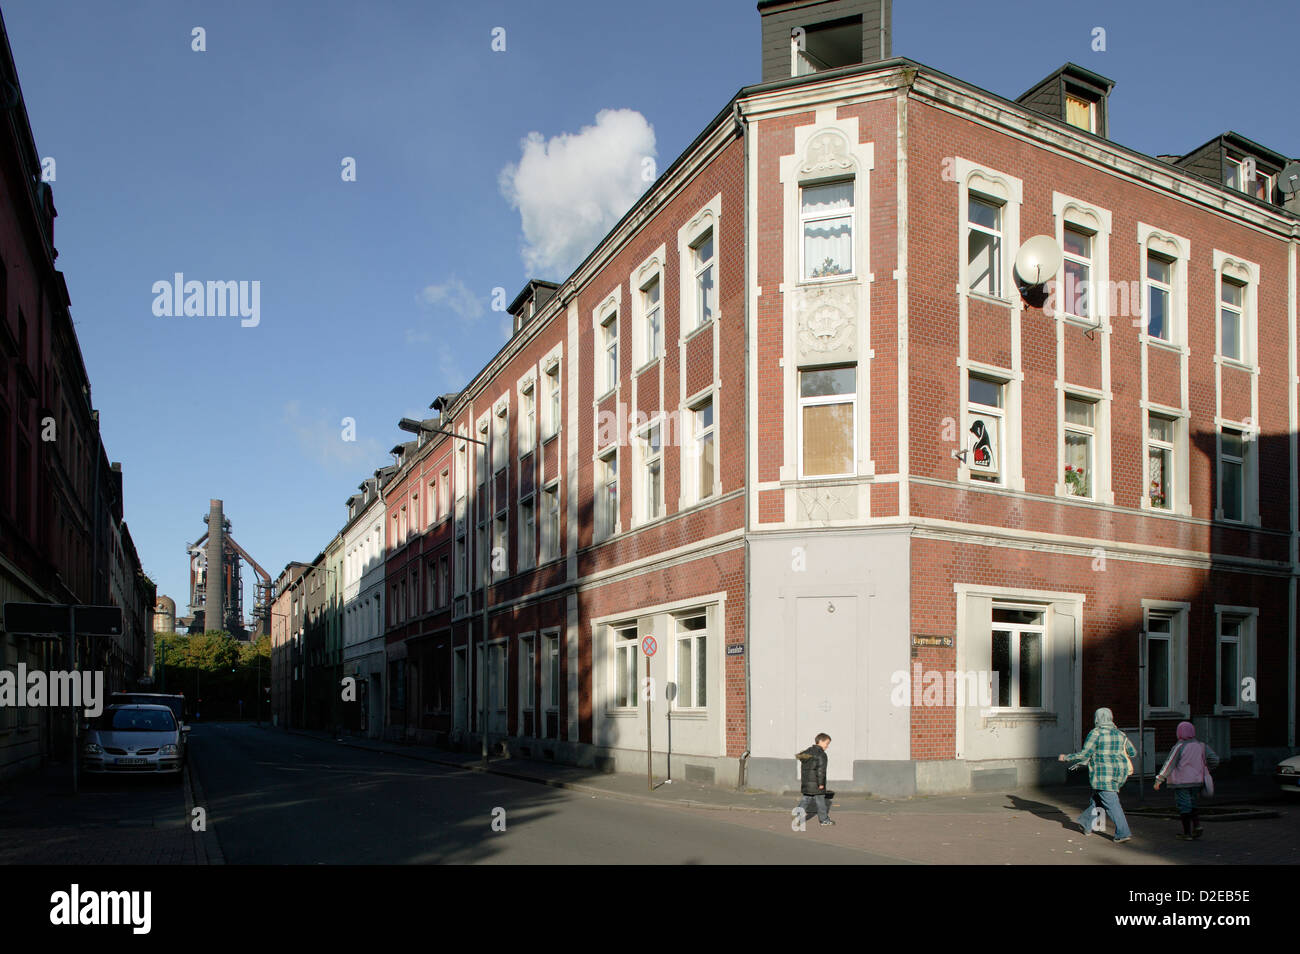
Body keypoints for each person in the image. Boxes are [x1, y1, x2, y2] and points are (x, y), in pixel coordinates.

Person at [1058, 707, 1136, 844]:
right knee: (1098, 799)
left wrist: (1066, 757)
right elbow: (1133, 752)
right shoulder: (1120, 734)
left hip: (1102, 775)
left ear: (1097, 718)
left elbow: (1084, 754)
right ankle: (1086, 823)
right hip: (1119, 773)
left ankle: (1123, 833)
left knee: (1112, 803)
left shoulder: (1096, 733)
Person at [1154, 721, 1219, 841]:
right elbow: (1215, 760)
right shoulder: (1202, 746)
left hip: (1181, 782)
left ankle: (1187, 833)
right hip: (1197, 781)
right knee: (1193, 803)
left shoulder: (1179, 747)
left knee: (1184, 806)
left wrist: (1159, 779)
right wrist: (1205, 769)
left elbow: (1169, 764)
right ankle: (1197, 825)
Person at [795, 733, 835, 827]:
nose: (827, 746)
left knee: (806, 799)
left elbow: (800, 757)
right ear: (820, 741)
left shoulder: (807, 752)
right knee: (821, 802)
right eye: (827, 743)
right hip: (817, 784)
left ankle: (797, 815)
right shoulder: (821, 754)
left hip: (807, 783)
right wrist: (821, 784)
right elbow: (821, 771)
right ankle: (824, 820)